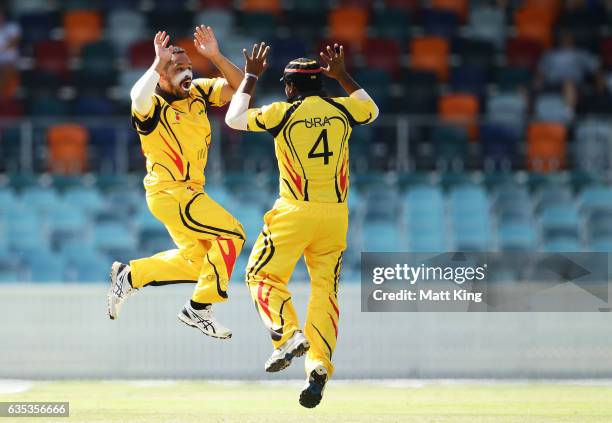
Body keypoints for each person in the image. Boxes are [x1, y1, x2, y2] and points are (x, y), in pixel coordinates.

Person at [225, 42, 379, 407]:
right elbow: (372, 110)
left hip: (295, 210)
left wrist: (249, 76)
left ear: (291, 87)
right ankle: (318, 366)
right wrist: (342, 75)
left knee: (260, 277)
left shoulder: (282, 112)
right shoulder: (343, 109)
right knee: (325, 291)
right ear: (320, 83)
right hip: (336, 215)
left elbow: (234, 119)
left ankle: (288, 335)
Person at [107, 27, 245, 340]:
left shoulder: (197, 92)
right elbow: (136, 96)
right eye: (178, 68)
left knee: (202, 263)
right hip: (171, 192)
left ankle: (132, 276)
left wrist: (216, 57)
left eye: (189, 67)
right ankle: (199, 309)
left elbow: (240, 89)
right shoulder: (153, 106)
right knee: (233, 234)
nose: (186, 73)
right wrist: (157, 64)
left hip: (190, 194)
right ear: (161, 75)